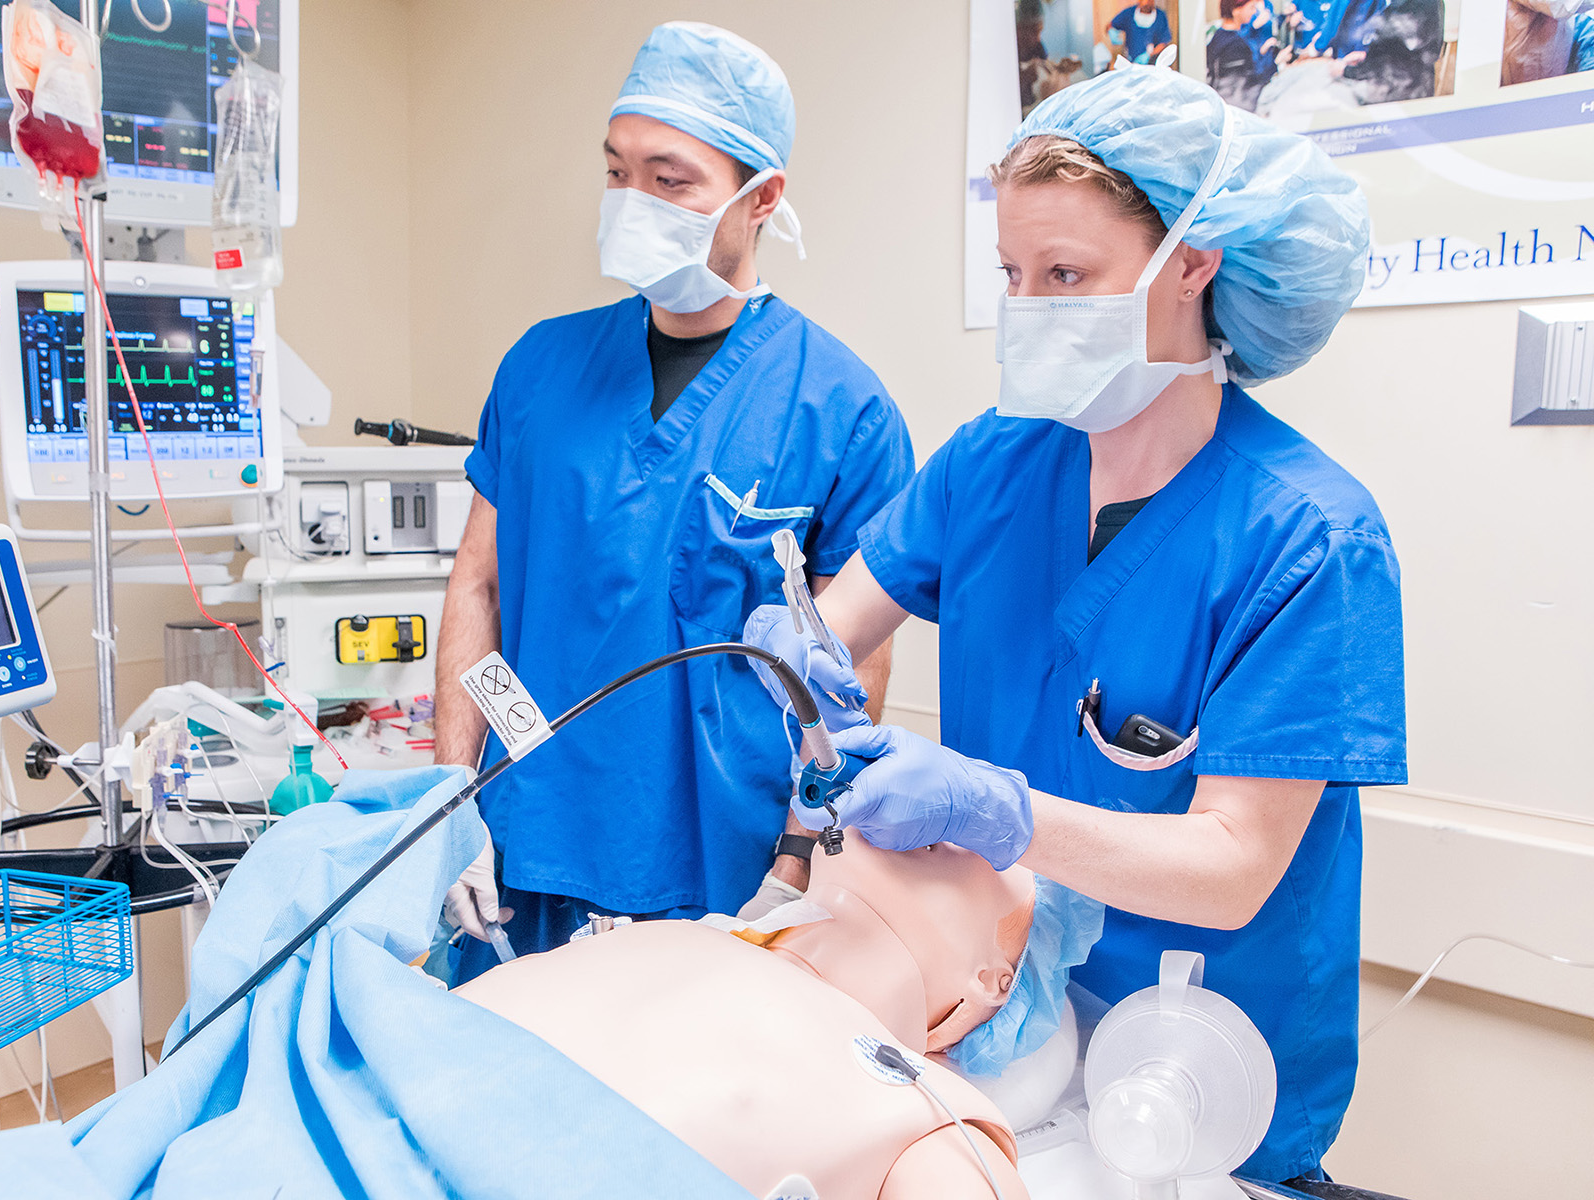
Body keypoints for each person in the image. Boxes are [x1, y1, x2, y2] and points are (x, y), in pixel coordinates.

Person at [746, 66, 1404, 1183]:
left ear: (1192, 264)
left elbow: (1234, 865)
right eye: (1013, 274)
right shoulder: (993, 466)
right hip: (983, 1038)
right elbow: (836, 621)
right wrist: (791, 646)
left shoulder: (1308, 539)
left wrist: (987, 806)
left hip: (1187, 1073)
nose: (1031, 309)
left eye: (1067, 275)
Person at [435, 22, 915, 984]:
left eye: (669, 179)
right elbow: (480, 592)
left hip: (716, 877)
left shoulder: (841, 409)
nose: (630, 202)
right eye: (616, 172)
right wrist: (455, 798)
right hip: (523, 849)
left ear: (762, 198)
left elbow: (848, 681)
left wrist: (795, 864)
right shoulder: (539, 369)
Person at [458, 830, 1101, 1200]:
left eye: (992, 838)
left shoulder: (927, 1121)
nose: (949, 823)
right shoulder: (687, 936)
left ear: (993, 981)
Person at [1207, 0, 1280, 108]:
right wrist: (1277, 62)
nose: (1254, 11)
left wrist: (1263, 52)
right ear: (1236, 10)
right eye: (1251, 7)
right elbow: (1251, 82)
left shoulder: (1220, 36)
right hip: (1238, 108)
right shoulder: (1234, 45)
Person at [1106, 0, 1174, 64]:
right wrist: (1112, 32)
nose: (1146, 3)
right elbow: (1110, 25)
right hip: (1130, 62)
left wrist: (1150, 55)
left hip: (1152, 64)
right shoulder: (1129, 13)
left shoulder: (1160, 16)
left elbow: (1164, 41)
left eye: (1149, 0)